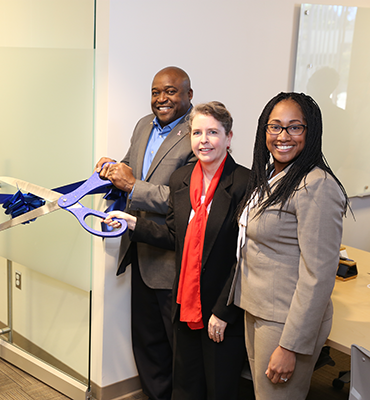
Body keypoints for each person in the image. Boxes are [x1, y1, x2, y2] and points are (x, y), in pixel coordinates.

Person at [105, 102, 249, 400]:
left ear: (229, 137)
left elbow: (244, 256)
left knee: (220, 389)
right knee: (185, 387)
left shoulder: (245, 184)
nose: (204, 140)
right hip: (184, 302)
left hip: (220, 310)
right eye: (197, 133)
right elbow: (174, 234)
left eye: (213, 132)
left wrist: (223, 311)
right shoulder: (181, 178)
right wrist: (132, 223)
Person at [228, 92, 350, 399]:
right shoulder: (273, 175)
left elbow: (318, 275)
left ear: (310, 133)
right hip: (258, 309)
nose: (283, 136)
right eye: (275, 126)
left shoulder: (316, 185)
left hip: (284, 322)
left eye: (295, 127)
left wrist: (290, 345)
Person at [95, 66, 195, 400]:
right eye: (156, 92)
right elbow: (130, 168)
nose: (161, 99)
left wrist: (133, 186)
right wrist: (113, 169)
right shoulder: (142, 125)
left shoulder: (198, 134)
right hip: (140, 250)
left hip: (173, 259)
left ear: (188, 96)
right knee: (148, 344)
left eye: (171, 91)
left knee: (180, 351)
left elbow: (188, 201)